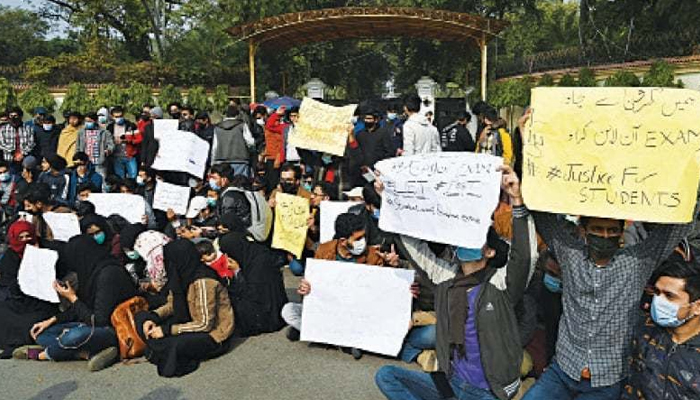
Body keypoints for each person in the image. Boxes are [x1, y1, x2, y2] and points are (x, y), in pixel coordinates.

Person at [375, 164, 537, 400]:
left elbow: (525, 257)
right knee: (386, 375)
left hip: (487, 391)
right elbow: (415, 248)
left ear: (490, 251)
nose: (466, 241)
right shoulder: (446, 278)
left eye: (474, 237)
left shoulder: (499, 285)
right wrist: (390, 202)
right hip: (451, 383)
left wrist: (516, 199)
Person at [522, 186, 700, 396]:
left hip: (608, 380)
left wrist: (690, 185)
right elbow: (544, 219)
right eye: (598, 229)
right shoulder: (570, 255)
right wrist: (521, 189)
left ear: (621, 232)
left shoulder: (636, 262)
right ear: (583, 230)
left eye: (612, 230)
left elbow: (674, 230)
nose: (605, 236)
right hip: (563, 369)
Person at [281, 212, 399, 355]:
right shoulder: (324, 251)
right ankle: (338, 339)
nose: (363, 242)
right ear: (343, 241)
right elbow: (312, 293)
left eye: (364, 237)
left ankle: (318, 334)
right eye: (358, 238)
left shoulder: (373, 256)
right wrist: (305, 289)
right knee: (288, 310)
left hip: (356, 315)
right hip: (328, 311)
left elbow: (382, 291)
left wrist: (393, 266)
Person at [15, 234, 136, 372]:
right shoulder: (91, 272)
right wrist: (51, 321)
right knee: (43, 333)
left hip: (114, 330)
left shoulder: (109, 274)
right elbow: (82, 307)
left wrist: (72, 297)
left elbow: (99, 321)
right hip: (91, 325)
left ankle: (43, 354)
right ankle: (85, 353)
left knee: (74, 336)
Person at [134, 239, 234, 377]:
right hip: (189, 322)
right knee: (141, 317)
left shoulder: (204, 281)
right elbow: (172, 304)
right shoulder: (180, 277)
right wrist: (153, 318)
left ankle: (158, 348)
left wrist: (167, 330)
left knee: (175, 345)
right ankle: (159, 347)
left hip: (213, 335)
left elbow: (205, 324)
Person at [621, 258, 700, 399]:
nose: (659, 301)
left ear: (697, 306)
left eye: (669, 296)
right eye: (657, 292)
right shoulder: (645, 330)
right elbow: (632, 380)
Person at [218, 214, 288, 336]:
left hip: (265, 311)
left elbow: (252, 293)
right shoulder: (252, 252)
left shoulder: (259, 263)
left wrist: (238, 271)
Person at [0, 221, 58, 357]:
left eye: (28, 236)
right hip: (18, 302)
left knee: (35, 322)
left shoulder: (46, 251)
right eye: (21, 237)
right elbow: (9, 283)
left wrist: (36, 258)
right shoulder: (10, 257)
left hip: (41, 303)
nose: (26, 240)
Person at [211, 105, 254, 177]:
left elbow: (215, 147)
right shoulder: (242, 125)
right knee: (240, 183)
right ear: (237, 115)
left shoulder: (217, 128)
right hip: (240, 159)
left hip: (221, 160)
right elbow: (250, 142)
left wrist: (213, 162)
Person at [77, 112, 114, 179]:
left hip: (99, 162)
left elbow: (111, 144)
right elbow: (78, 147)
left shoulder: (104, 132)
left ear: (95, 121)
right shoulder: (81, 132)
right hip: (85, 163)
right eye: (86, 121)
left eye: (90, 121)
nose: (87, 123)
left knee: (101, 182)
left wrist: (108, 150)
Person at [107, 106, 140, 180]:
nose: (118, 118)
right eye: (116, 117)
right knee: (119, 178)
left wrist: (128, 141)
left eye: (120, 116)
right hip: (116, 156)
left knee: (133, 176)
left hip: (130, 156)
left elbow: (138, 139)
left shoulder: (131, 125)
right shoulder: (110, 127)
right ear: (112, 117)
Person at [0, 107, 35, 174]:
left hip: (25, 157)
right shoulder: (3, 129)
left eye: (15, 116)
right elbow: (2, 144)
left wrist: (22, 153)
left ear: (20, 116)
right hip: (10, 158)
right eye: (11, 116)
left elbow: (31, 143)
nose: (13, 118)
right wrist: (13, 153)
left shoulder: (28, 128)